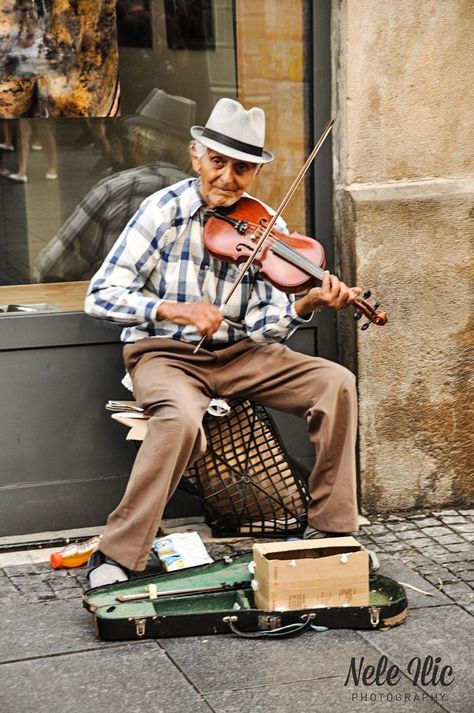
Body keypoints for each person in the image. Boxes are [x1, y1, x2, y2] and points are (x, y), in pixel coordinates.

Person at [84, 97, 375, 588]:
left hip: (241, 354)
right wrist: (171, 310)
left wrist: (302, 307)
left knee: (336, 382)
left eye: (242, 168)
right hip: (166, 355)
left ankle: (332, 533)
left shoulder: (266, 226)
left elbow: (263, 325)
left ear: (254, 173)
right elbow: (101, 296)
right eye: (218, 162)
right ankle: (117, 554)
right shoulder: (163, 210)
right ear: (197, 156)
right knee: (177, 418)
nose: (227, 178)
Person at [35, 90, 196, 281]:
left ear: (136, 145)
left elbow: (51, 265)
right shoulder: (201, 195)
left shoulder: (115, 189)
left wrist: (97, 269)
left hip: (120, 307)